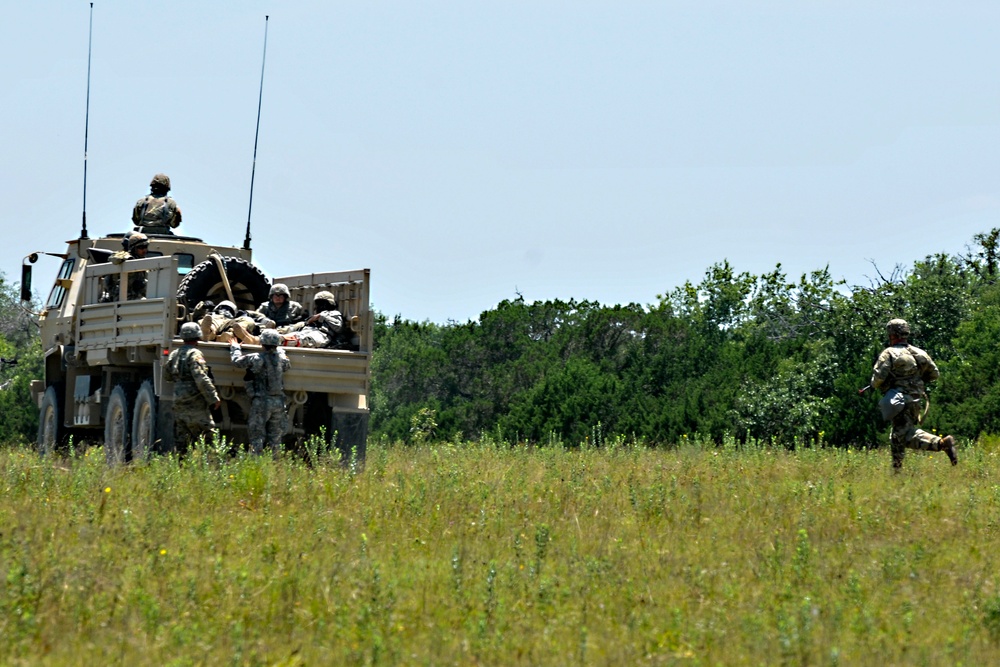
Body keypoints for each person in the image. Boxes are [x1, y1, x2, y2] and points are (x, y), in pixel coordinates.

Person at [871, 318, 958, 470]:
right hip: (916, 399)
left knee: (902, 435)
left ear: (891, 334)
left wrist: (875, 384)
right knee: (899, 434)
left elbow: (877, 379)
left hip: (898, 400)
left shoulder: (889, 353)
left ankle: (941, 444)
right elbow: (934, 374)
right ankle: (898, 469)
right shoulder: (920, 353)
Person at [230, 329, 291, 455]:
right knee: (275, 440)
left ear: (262, 343)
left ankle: (256, 464)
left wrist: (235, 348)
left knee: (257, 438)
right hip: (279, 403)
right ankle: (274, 467)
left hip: (262, 403)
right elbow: (287, 364)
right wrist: (280, 351)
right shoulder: (281, 360)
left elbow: (237, 362)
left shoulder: (256, 358)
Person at [164, 322, 221, 450]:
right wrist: (213, 397)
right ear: (198, 336)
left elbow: (167, 376)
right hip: (195, 402)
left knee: (182, 441)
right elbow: (201, 378)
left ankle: (181, 467)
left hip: (178, 401)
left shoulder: (174, 354)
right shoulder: (195, 354)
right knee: (209, 438)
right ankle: (212, 466)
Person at [99, 232, 149, 302]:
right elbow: (114, 259)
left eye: (145, 246)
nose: (144, 250)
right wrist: (127, 258)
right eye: (141, 247)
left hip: (135, 297)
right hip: (124, 298)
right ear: (133, 248)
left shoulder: (142, 262)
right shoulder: (126, 258)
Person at [199, 300, 275, 343]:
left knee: (248, 320)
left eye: (229, 309)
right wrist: (202, 306)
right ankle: (207, 333)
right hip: (214, 322)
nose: (226, 311)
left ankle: (231, 335)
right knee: (209, 321)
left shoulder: (239, 315)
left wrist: (265, 322)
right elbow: (195, 314)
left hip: (229, 324)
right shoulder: (211, 315)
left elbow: (258, 317)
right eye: (223, 308)